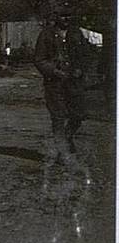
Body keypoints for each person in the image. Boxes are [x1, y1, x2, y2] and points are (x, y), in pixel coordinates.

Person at [34, 12, 88, 156]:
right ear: (56, 17)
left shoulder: (76, 33)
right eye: (63, 16)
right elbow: (39, 60)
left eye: (69, 16)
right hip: (54, 83)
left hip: (73, 81)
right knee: (58, 117)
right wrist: (54, 71)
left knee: (79, 114)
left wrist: (80, 69)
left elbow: (86, 54)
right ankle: (62, 152)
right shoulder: (46, 35)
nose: (66, 19)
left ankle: (67, 136)